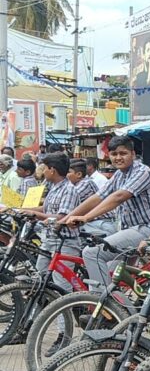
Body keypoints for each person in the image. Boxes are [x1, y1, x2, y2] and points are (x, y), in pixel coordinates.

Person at [61, 135, 150, 287]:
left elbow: (118, 197)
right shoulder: (119, 175)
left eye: (123, 153)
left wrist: (86, 218)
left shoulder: (143, 171)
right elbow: (98, 197)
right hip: (128, 231)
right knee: (110, 275)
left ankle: (100, 300)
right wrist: (65, 218)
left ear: (133, 154)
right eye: (114, 154)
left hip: (147, 231)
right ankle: (116, 301)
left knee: (92, 253)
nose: (118, 158)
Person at [17, 152, 81, 356]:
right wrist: (20, 209)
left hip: (64, 243)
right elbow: (45, 208)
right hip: (49, 241)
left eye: (44, 167)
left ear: (52, 170)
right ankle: (28, 326)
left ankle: (64, 335)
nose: (42, 171)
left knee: (60, 289)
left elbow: (60, 217)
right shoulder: (53, 187)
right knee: (38, 283)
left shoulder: (69, 190)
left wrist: (36, 214)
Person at [67, 159, 118, 236]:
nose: (65, 175)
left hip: (102, 223)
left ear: (79, 174)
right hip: (92, 222)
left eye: (68, 172)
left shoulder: (85, 183)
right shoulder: (75, 185)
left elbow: (68, 199)